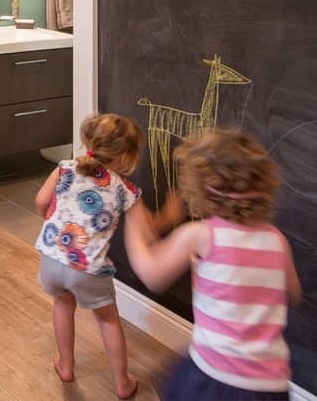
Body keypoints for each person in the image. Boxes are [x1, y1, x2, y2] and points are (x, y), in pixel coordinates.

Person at [125, 129, 302, 400]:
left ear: (201, 189)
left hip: (216, 379)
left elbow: (152, 275)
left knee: (170, 382)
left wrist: (134, 222)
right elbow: (292, 294)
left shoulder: (202, 234)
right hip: (271, 384)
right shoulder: (276, 239)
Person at [34, 113, 145, 399]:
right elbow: (148, 229)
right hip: (87, 268)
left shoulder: (64, 168)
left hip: (52, 258)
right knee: (107, 319)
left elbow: (41, 201)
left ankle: (66, 365)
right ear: (124, 156)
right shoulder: (124, 189)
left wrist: (49, 221)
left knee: (62, 304)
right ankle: (122, 383)